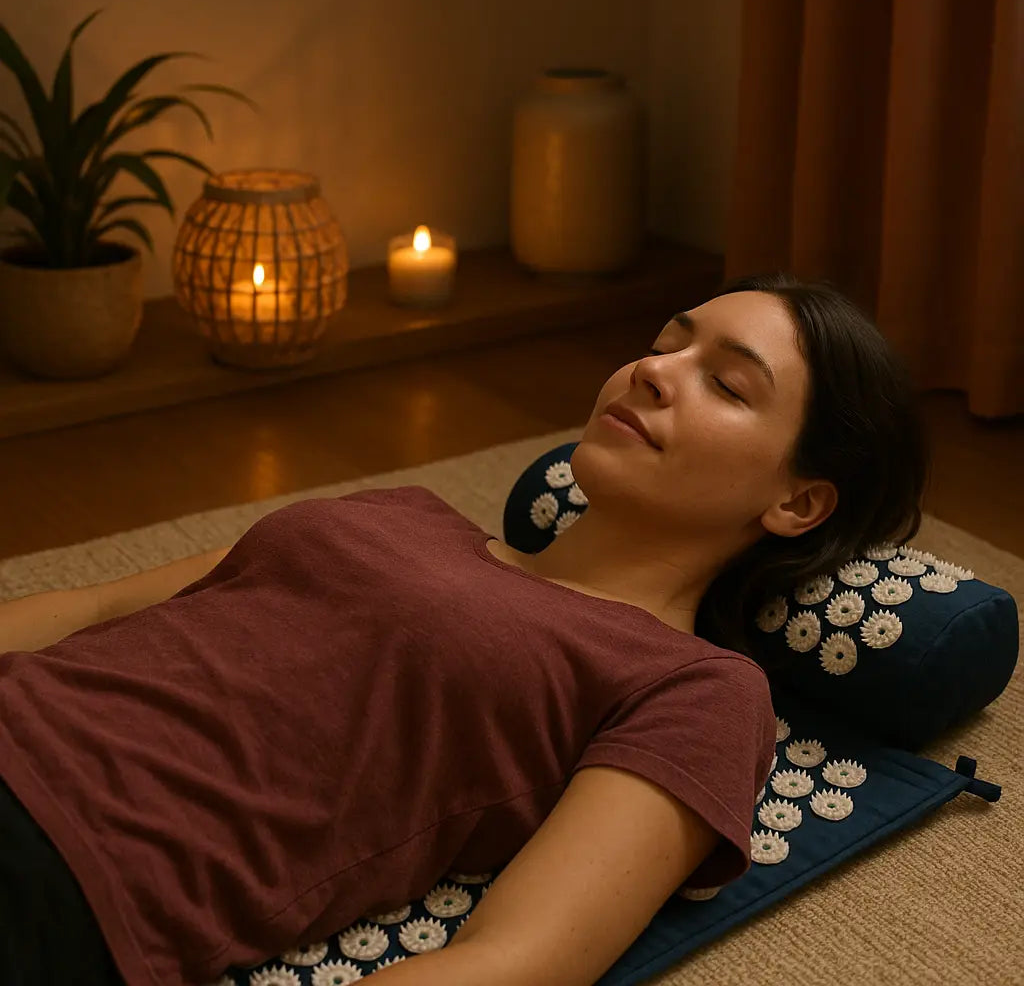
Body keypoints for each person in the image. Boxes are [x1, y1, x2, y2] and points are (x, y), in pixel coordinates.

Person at [0, 272, 928, 986]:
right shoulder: (406, 511)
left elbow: (514, 963)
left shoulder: (695, 686)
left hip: (68, 860)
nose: (651, 370)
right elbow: (98, 608)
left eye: (725, 383)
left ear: (797, 502)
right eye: (664, 344)